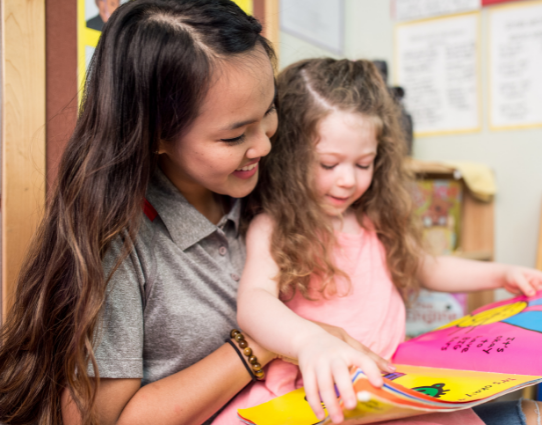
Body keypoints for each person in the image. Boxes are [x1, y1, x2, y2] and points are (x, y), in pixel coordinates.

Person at [0, 2, 382, 424]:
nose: (264, 146)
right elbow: (99, 421)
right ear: (157, 135)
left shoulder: (261, 190)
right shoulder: (117, 247)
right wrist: (260, 344)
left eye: (269, 113)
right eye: (234, 135)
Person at [214, 58, 542, 425]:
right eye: (329, 164)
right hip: (317, 392)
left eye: (363, 164)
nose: (348, 180)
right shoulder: (274, 226)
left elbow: (426, 266)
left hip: (385, 389)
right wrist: (309, 342)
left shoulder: (374, 220)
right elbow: (254, 302)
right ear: (289, 156)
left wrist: (502, 274)